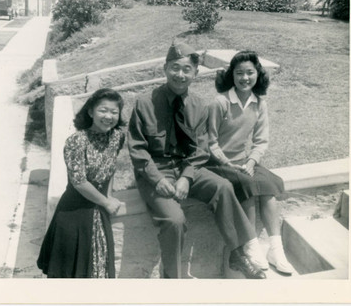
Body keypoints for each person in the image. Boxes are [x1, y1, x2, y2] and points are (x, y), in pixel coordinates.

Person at [127, 41, 266, 279]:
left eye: (186, 70)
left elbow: (200, 149)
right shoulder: (144, 102)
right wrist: (157, 179)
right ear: (165, 68)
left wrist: (186, 178)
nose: (180, 75)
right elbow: (137, 149)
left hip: (186, 167)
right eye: (175, 68)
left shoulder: (199, 106)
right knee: (174, 220)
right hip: (155, 170)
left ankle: (236, 252)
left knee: (222, 186)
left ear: (196, 74)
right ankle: (173, 279)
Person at [206, 50, 293, 275]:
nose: (245, 78)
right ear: (231, 76)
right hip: (216, 163)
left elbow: (261, 140)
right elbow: (210, 141)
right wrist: (227, 162)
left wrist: (252, 161)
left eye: (250, 73)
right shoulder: (220, 102)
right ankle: (251, 246)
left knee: (268, 186)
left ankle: (276, 249)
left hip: (243, 161)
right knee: (247, 185)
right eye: (239, 73)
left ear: (258, 75)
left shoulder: (259, 104)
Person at [37, 88, 126, 278]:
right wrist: (106, 202)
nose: (108, 116)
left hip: (99, 211)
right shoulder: (76, 141)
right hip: (74, 215)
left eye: (114, 112)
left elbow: (110, 167)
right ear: (90, 111)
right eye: (103, 110)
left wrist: (108, 195)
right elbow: (79, 182)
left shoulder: (117, 137)